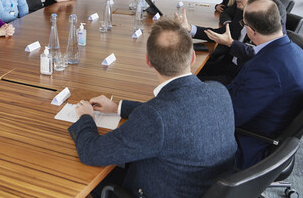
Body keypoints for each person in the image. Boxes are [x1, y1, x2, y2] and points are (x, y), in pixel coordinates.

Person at [68, 18, 236, 198]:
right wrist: (118, 107)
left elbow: (92, 152)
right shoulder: (219, 91)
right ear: (193, 57)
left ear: (148, 61)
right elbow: (174, 114)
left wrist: (86, 118)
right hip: (203, 187)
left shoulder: (155, 117)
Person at [228, 0, 303, 169]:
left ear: (251, 31)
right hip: (270, 126)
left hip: (251, 143)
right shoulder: (294, 49)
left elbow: (232, 117)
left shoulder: (266, 69)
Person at [181, 0, 286, 84]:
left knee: (188, 83)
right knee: (185, 73)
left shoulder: (273, 9)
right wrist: (190, 29)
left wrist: (231, 43)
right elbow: (225, 32)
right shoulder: (244, 5)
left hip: (244, 74)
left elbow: (263, 53)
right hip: (229, 62)